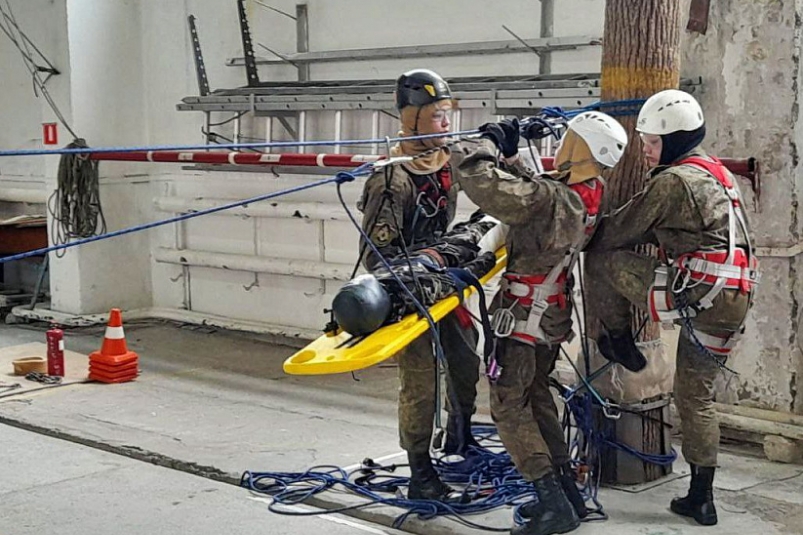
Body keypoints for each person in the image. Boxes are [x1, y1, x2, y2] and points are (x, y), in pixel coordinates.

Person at [584, 89, 759, 526]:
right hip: (734, 296)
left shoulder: (672, 182)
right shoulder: (717, 173)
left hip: (699, 292)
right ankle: (701, 497)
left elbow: (619, 230)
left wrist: (578, 228)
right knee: (695, 395)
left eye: (652, 142)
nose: (645, 151)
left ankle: (617, 337)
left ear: (675, 141)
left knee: (601, 259)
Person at [455, 111, 628, 535]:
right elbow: (538, 201)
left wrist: (485, 146)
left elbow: (486, 185)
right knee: (535, 398)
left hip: (521, 318)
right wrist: (514, 159)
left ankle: (552, 501)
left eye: (569, 138)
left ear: (583, 148)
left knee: (508, 404)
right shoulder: (590, 192)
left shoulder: (553, 198)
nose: (561, 143)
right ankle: (567, 493)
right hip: (549, 315)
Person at [357, 69, 480, 500]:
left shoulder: (447, 161)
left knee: (465, 357)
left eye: (448, 114)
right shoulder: (392, 179)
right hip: (406, 291)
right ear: (411, 119)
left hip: (442, 281)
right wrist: (422, 266)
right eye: (436, 115)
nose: (446, 123)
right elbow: (376, 256)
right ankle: (421, 472)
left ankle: (460, 436)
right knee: (420, 380)